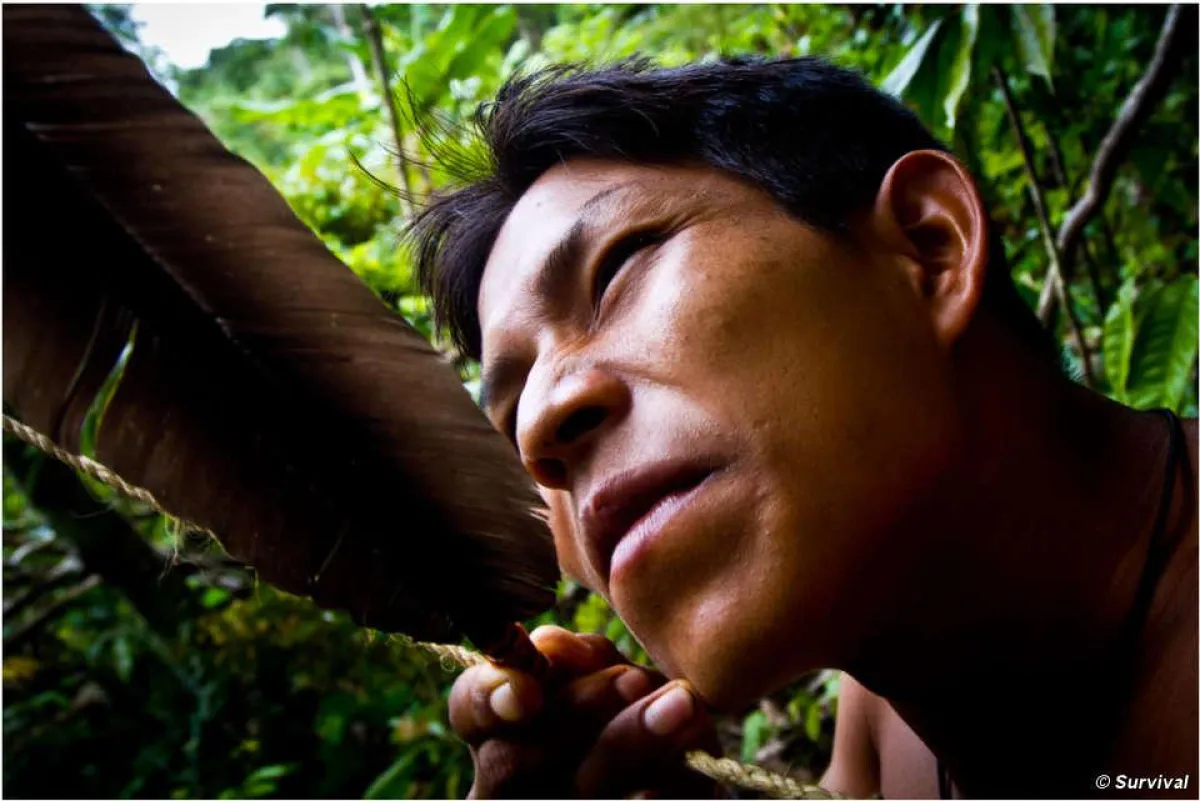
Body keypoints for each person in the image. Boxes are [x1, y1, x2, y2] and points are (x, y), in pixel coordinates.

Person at [407, 57, 1198, 798]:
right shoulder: (884, 720)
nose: (541, 428)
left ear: (928, 245)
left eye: (617, 266)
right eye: (511, 415)